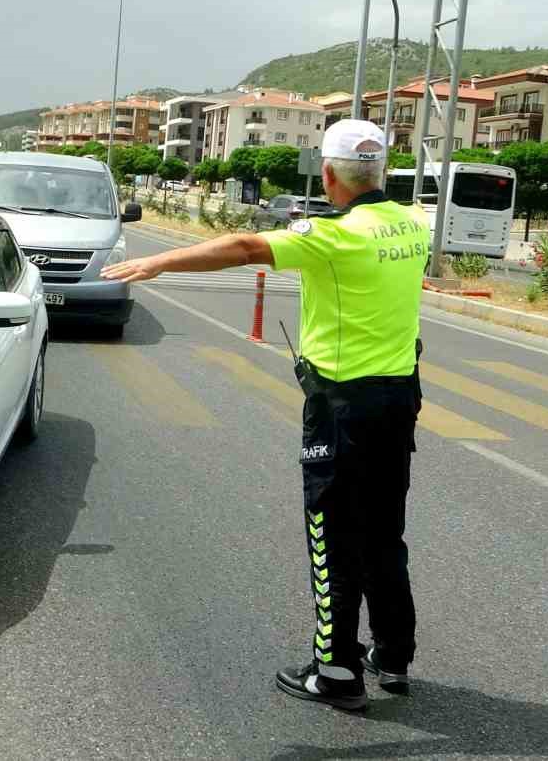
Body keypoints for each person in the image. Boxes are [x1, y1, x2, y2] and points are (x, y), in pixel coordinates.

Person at [101, 120, 430, 712]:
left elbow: (247, 247)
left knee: (332, 534)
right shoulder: (413, 225)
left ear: (328, 176)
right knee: (384, 529)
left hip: (341, 407)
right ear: (380, 172)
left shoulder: (334, 234)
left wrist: (159, 263)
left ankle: (335, 671)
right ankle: (394, 653)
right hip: (399, 400)